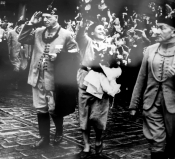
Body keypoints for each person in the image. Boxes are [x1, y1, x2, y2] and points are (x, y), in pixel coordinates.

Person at [129, 3, 175, 159]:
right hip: (151, 104)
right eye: (157, 27)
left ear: (174, 32)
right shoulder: (149, 50)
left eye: (161, 27)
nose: (156, 31)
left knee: (172, 144)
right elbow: (141, 78)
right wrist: (133, 105)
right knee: (157, 143)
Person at [18, 5, 79, 148]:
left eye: (48, 17)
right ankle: (44, 138)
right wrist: (31, 23)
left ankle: (59, 132)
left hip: (54, 79)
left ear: (56, 18)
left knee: (54, 108)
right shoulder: (38, 31)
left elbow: (76, 54)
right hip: (37, 77)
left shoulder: (66, 34)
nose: (44, 19)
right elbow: (22, 38)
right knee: (41, 108)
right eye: (43, 17)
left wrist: (60, 56)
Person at [76, 18, 121, 158]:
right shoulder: (87, 42)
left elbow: (115, 63)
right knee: (85, 114)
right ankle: (87, 145)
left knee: (99, 116)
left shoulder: (110, 45)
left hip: (103, 83)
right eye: (99, 29)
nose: (103, 31)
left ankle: (99, 140)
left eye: (104, 29)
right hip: (86, 81)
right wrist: (82, 25)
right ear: (92, 32)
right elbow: (80, 36)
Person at [7, 19, 31, 89]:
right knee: (16, 67)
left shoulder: (27, 33)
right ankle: (15, 83)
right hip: (15, 53)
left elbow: (29, 44)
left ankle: (21, 84)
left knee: (23, 67)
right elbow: (9, 44)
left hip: (24, 53)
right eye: (23, 25)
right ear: (19, 25)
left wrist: (29, 53)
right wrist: (9, 53)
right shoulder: (12, 33)